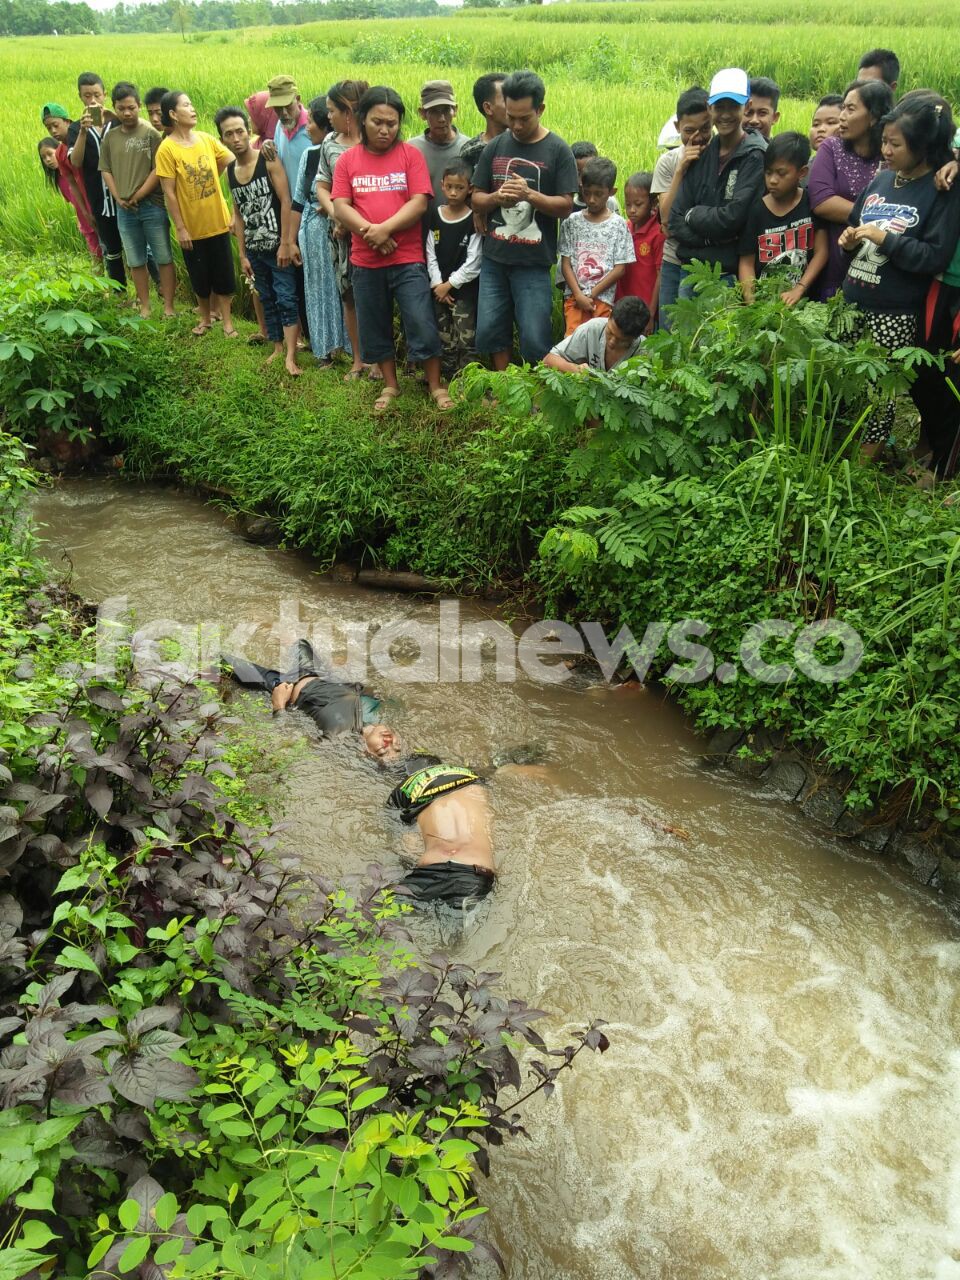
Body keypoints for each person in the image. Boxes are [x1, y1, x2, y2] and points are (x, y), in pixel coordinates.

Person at [839, 94, 960, 459]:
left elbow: (933, 256)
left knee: (878, 391)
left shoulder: (941, 191)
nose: (886, 150)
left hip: (894, 310)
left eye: (895, 144)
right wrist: (849, 241)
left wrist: (887, 239)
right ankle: (843, 448)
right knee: (847, 382)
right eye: (884, 141)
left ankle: (860, 469)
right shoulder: (881, 181)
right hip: (853, 300)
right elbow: (856, 223)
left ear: (921, 147)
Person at [331, 85, 452, 414]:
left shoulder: (410, 156)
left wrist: (385, 229)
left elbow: (419, 202)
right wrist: (371, 232)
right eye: (377, 122)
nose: (385, 129)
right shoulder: (347, 160)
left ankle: (436, 385)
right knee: (375, 323)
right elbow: (341, 205)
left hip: (407, 257)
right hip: (365, 260)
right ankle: (390, 384)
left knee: (421, 321)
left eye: (392, 123)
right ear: (361, 120)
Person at [472, 70, 579, 368]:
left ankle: (537, 390)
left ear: (540, 110)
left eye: (524, 118)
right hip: (495, 258)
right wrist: (496, 199)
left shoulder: (558, 150)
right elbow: (476, 198)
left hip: (533, 262)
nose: (516, 126)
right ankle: (504, 384)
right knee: (491, 328)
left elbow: (566, 205)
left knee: (535, 335)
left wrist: (529, 195)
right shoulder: (495, 146)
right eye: (511, 117)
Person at [216, 106, 300, 376]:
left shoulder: (268, 159)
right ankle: (277, 347)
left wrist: (286, 242)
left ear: (248, 131)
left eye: (240, 131)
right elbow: (238, 215)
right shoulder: (230, 172)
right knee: (267, 298)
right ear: (222, 140)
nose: (236, 138)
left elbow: (286, 200)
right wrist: (242, 255)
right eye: (229, 134)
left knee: (286, 297)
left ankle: (290, 355)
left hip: (278, 248)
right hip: (254, 249)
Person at [669, 68, 767, 299]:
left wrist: (694, 215)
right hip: (691, 273)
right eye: (719, 107)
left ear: (747, 107)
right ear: (710, 108)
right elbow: (675, 220)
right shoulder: (702, 153)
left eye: (733, 106)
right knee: (685, 335)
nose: (725, 114)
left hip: (727, 276)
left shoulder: (755, 155)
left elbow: (734, 218)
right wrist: (712, 238)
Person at [223, 639, 402, 762]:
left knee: (222, 661)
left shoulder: (338, 737)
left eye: (382, 751)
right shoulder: (388, 710)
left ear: (364, 752)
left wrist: (278, 705)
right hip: (320, 674)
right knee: (300, 642)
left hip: (285, 687)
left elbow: (286, 744)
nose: (389, 742)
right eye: (397, 746)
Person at [155, 90, 237, 337]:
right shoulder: (166, 149)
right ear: (173, 114)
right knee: (200, 276)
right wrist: (180, 228)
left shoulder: (205, 139)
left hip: (218, 221)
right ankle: (205, 319)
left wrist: (214, 176)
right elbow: (169, 193)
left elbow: (230, 160)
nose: (193, 109)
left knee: (224, 273)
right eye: (187, 105)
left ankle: (228, 323)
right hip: (191, 227)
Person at [807, 79, 894, 299]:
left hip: (878, 268)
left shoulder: (890, 154)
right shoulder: (831, 148)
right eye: (843, 108)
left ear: (874, 116)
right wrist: (881, 220)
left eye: (851, 109)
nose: (842, 116)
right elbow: (822, 201)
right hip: (835, 265)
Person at [98, 81, 175, 319]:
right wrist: (118, 197)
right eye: (121, 108)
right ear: (114, 108)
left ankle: (169, 308)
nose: (127, 113)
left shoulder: (151, 134)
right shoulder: (110, 137)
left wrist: (138, 195)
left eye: (131, 107)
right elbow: (106, 170)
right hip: (124, 210)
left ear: (138, 105)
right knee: (135, 260)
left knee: (163, 256)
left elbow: (158, 169)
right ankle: (145, 306)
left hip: (151, 206)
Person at [316, 79, 371, 381]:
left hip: (372, 232)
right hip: (339, 236)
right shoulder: (330, 143)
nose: (328, 117)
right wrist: (338, 213)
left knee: (374, 296)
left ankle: (378, 359)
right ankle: (358, 359)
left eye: (332, 111)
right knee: (348, 294)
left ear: (349, 111)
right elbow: (322, 186)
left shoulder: (374, 139)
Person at [288, 97, 349, 366]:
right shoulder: (310, 155)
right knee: (319, 287)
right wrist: (289, 241)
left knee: (346, 289)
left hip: (346, 228)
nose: (306, 127)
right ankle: (325, 349)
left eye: (311, 120)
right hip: (314, 230)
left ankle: (353, 349)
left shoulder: (348, 152)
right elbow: (299, 199)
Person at [737, 132, 828, 305]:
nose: (772, 180)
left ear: (802, 172)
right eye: (768, 172)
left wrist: (799, 289)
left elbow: (821, 252)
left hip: (805, 305)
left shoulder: (811, 203)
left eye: (781, 173)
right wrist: (752, 302)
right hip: (765, 304)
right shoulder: (757, 210)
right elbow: (746, 263)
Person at [651, 85, 711, 329]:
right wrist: (680, 170)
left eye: (705, 128)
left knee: (697, 333)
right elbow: (665, 217)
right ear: (677, 128)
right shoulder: (668, 162)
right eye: (689, 130)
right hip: (673, 258)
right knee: (668, 329)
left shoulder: (722, 158)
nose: (697, 137)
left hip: (707, 261)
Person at [558, 156, 634, 335]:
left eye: (598, 194)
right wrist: (578, 295)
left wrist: (591, 294)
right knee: (573, 342)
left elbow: (620, 268)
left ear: (612, 192)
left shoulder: (618, 225)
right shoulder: (571, 222)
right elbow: (566, 263)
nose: (591, 199)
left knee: (598, 343)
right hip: (574, 299)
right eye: (587, 193)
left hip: (603, 299)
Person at [67, 72, 126, 288]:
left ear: (105, 95)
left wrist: (116, 116)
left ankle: (151, 293)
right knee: (112, 251)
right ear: (80, 97)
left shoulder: (118, 123)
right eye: (87, 96)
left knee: (140, 249)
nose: (92, 100)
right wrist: (83, 132)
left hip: (127, 196)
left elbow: (142, 134)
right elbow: (76, 162)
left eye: (97, 95)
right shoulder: (75, 129)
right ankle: (120, 293)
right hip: (100, 200)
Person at [425, 159, 482, 380]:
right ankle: (448, 377)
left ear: (469, 189)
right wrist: (438, 284)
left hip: (464, 292)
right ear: (442, 186)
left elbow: (474, 260)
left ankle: (469, 379)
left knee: (466, 337)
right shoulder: (435, 215)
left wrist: (450, 284)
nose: (454, 192)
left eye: (459, 187)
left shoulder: (472, 220)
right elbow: (430, 252)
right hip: (439, 291)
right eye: (449, 187)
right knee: (443, 336)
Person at [266, 75, 312, 342]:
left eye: (288, 106)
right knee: (298, 279)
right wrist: (268, 147)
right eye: (277, 108)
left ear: (298, 100)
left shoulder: (314, 129)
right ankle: (307, 338)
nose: (283, 113)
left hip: (314, 217)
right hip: (290, 218)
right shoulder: (280, 128)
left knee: (315, 282)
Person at [40, 104, 100, 260]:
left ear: (67, 121)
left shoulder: (85, 140)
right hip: (88, 209)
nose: (53, 131)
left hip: (102, 201)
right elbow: (73, 185)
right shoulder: (60, 154)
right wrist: (86, 213)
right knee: (101, 252)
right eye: (48, 128)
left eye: (56, 125)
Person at [408, 79, 468, 216]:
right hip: (421, 228)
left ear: (455, 110)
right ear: (422, 113)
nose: (441, 119)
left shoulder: (468, 148)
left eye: (446, 110)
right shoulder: (412, 149)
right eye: (434, 112)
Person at [543, 295, 649, 372]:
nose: (612, 342)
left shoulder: (645, 351)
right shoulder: (592, 328)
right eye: (610, 333)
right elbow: (549, 360)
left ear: (636, 337)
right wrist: (576, 370)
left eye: (621, 341)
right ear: (610, 315)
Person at [615, 171, 664, 327]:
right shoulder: (624, 228)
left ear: (653, 203)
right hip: (623, 308)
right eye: (628, 204)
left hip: (645, 312)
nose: (632, 210)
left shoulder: (658, 233)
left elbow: (660, 276)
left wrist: (651, 314)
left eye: (638, 204)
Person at [459, 72, 507, 176]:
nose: (514, 105)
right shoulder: (471, 152)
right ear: (488, 108)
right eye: (506, 100)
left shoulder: (524, 144)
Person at [743, 76, 781, 142]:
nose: (754, 120)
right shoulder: (725, 148)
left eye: (762, 113)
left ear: (775, 117)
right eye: (748, 112)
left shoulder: (778, 151)